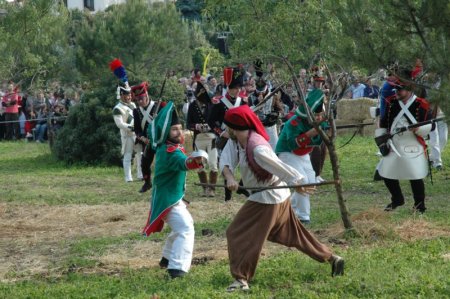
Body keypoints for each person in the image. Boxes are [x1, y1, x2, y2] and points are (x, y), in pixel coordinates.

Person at [220, 105, 344, 292]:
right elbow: (226, 159)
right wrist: (229, 177)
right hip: (276, 198)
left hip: (267, 198)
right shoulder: (237, 140)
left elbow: (280, 166)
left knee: (238, 233)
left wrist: (298, 181)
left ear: (234, 128)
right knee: (294, 235)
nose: (225, 130)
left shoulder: (257, 148)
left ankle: (241, 280)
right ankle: (332, 258)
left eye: (227, 126)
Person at [142, 102, 205, 279]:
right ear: (166, 133)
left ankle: (167, 259)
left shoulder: (167, 147)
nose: (179, 132)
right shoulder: (170, 151)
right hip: (168, 200)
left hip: (172, 197)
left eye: (180, 128)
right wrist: (197, 161)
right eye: (174, 130)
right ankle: (177, 269)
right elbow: (183, 163)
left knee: (180, 228)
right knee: (186, 228)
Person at [375, 69, 432, 213]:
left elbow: (431, 125)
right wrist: (382, 142)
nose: (397, 92)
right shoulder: (391, 102)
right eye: (396, 89)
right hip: (394, 143)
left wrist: (418, 129)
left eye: (400, 89)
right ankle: (397, 199)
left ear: (410, 88)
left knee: (415, 175)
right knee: (386, 173)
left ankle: (419, 206)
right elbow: (383, 123)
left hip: (413, 143)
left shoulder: (422, 104)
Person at [275, 72, 328, 224]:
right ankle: (303, 216)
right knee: (302, 181)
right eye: (315, 115)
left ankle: (287, 207)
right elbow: (292, 144)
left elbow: (319, 141)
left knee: (311, 181)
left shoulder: (321, 121)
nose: (318, 118)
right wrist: (311, 133)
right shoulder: (294, 122)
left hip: (304, 153)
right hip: (287, 152)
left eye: (320, 115)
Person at [208, 66, 248, 201]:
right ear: (229, 87)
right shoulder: (219, 103)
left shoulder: (242, 101)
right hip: (226, 138)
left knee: (247, 162)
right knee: (227, 165)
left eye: (239, 88)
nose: (238, 90)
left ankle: (243, 187)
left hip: (241, 137)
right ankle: (228, 196)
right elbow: (211, 122)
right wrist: (221, 133)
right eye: (235, 88)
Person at [132, 82, 165, 193]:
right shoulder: (136, 111)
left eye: (141, 98)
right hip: (147, 141)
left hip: (160, 140)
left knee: (162, 163)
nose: (140, 101)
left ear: (146, 96)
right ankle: (147, 183)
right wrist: (142, 138)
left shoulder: (160, 106)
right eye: (138, 99)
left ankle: (163, 183)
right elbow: (137, 129)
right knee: (144, 164)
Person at [187, 82, 218, 197]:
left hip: (211, 137)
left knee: (213, 163)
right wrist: (196, 126)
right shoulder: (192, 106)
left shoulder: (212, 105)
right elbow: (188, 124)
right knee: (200, 165)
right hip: (199, 138)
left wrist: (211, 126)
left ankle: (212, 189)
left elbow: (217, 122)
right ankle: (205, 188)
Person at [112, 83, 140, 182]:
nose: (129, 97)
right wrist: (132, 127)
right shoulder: (117, 108)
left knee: (139, 154)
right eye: (127, 95)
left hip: (137, 134)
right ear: (122, 95)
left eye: (130, 95)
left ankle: (140, 175)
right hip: (127, 135)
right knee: (127, 155)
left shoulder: (132, 105)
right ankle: (128, 177)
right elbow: (119, 124)